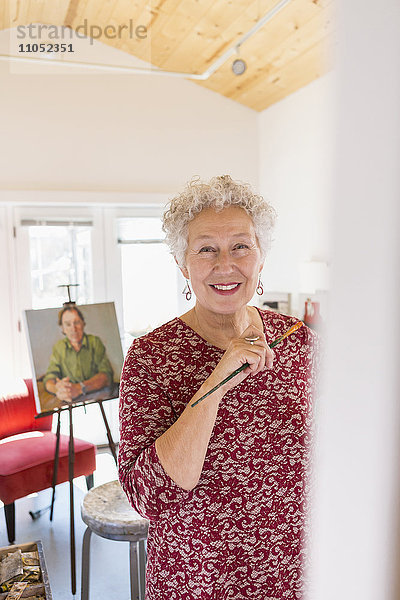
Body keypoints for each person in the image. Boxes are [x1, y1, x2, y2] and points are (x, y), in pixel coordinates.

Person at [118, 175, 319, 599]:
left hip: (296, 571)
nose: (225, 265)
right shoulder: (151, 357)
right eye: (206, 248)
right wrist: (218, 379)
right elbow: (148, 497)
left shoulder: (299, 341)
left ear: (261, 258)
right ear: (181, 262)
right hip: (199, 576)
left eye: (241, 246)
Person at [43, 305, 114, 404]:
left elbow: (106, 376)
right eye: (68, 324)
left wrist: (79, 388)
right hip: (68, 399)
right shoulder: (58, 347)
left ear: (83, 324)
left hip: (95, 395)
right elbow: (49, 377)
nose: (73, 329)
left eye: (76, 322)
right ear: (63, 328)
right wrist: (58, 390)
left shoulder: (95, 342)